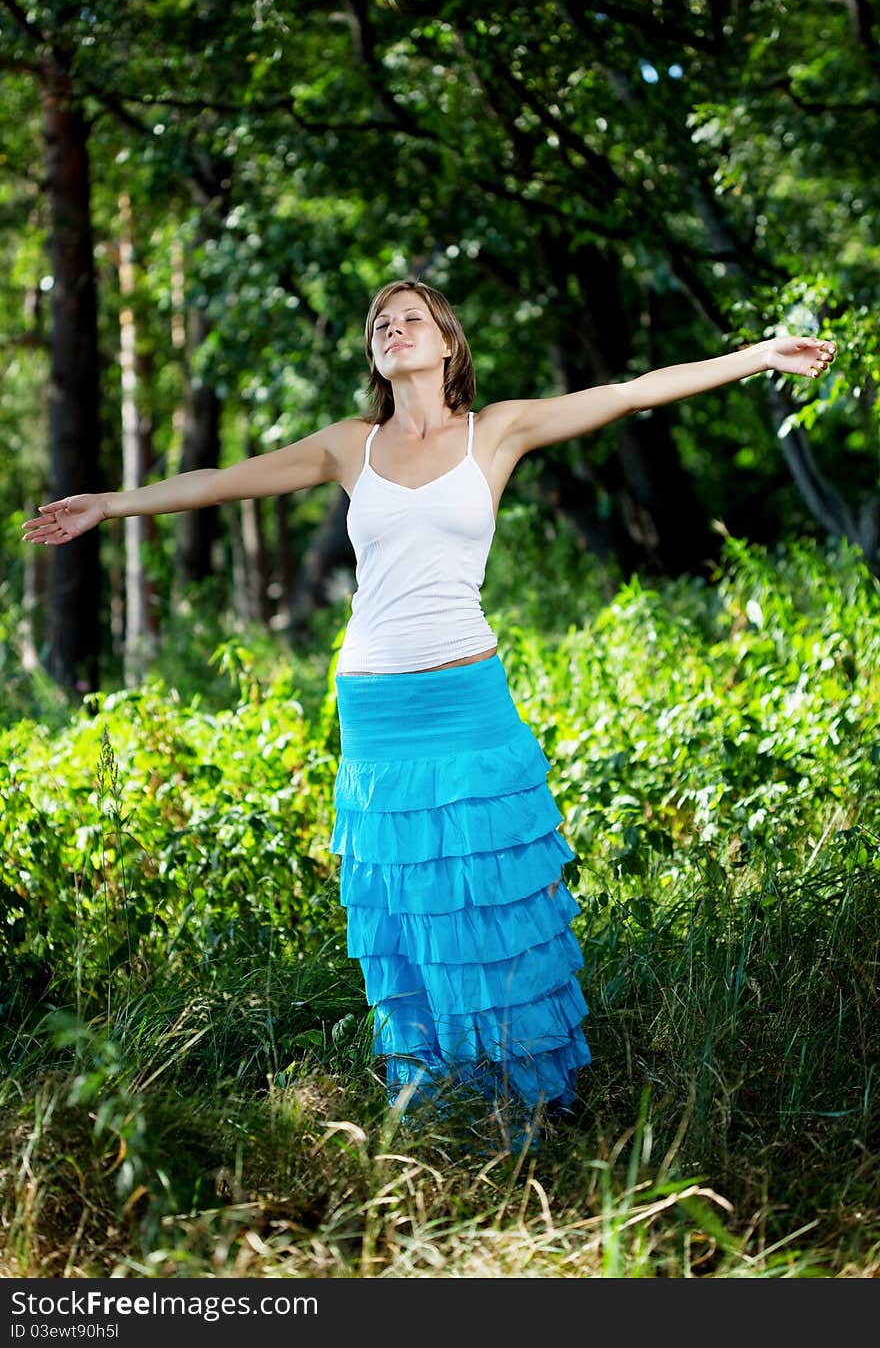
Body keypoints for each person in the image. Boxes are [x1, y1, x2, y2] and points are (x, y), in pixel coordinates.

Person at [22, 279, 837, 1139]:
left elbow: (630, 392)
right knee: (407, 907)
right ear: (374, 354)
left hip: (467, 701)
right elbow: (226, 480)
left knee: (490, 900)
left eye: (411, 317)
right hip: (376, 711)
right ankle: (435, 1105)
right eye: (380, 322)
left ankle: (523, 1102)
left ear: (447, 341)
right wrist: (111, 504)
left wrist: (757, 356)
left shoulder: (499, 431)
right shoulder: (351, 446)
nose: (394, 328)